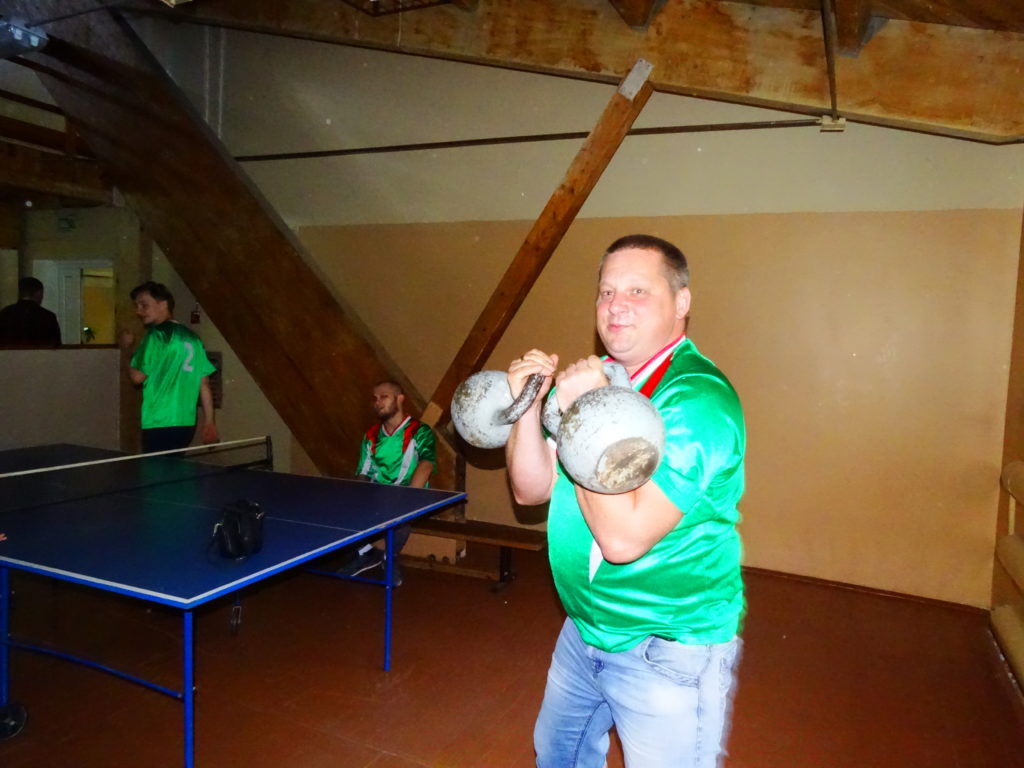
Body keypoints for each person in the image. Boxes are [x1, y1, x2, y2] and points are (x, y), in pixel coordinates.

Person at [505, 234, 746, 768]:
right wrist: (529, 406)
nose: (616, 305)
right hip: (584, 628)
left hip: (666, 644)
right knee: (557, 758)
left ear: (681, 303)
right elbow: (530, 489)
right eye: (607, 291)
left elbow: (621, 540)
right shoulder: (602, 379)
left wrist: (585, 411)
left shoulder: (698, 400)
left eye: (638, 290)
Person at [337, 381, 437, 581]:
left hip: (409, 492)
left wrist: (408, 498)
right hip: (378, 493)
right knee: (340, 507)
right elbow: (363, 472)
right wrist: (356, 497)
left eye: (384, 397)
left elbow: (426, 464)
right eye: (375, 399)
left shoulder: (419, 431)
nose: (378, 402)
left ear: (400, 399)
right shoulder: (371, 435)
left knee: (401, 520)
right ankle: (371, 554)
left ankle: (384, 556)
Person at [121, 281, 218, 453]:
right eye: (137, 306)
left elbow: (137, 377)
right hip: (186, 423)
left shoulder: (156, 335)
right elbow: (204, 384)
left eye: (144, 305)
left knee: (156, 469)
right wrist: (209, 422)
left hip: (159, 421)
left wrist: (126, 349)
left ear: (163, 304)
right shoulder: (193, 338)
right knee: (174, 467)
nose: (138, 311)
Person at [0, 277, 62, 346]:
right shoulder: (48, 316)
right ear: (39, 293)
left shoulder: (4, 313)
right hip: (40, 353)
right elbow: (56, 346)